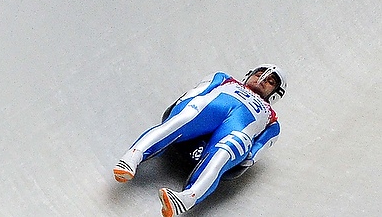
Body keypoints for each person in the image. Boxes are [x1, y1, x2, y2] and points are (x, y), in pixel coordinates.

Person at [113, 64, 287, 217]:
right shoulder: (225, 79)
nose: (262, 80)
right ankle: (132, 158)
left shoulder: (271, 121)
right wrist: (182, 105)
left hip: (237, 129)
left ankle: (187, 198)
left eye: (270, 82)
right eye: (259, 74)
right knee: (186, 116)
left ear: (275, 94)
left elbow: (256, 152)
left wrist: (244, 158)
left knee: (227, 150)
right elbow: (198, 91)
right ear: (250, 74)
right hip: (209, 108)